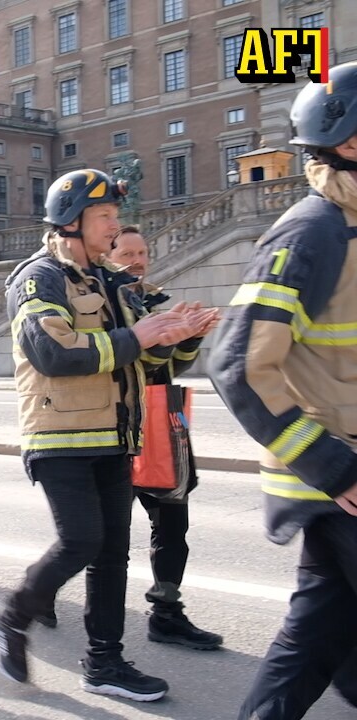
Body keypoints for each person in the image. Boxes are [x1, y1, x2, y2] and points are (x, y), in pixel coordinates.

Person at [0, 168, 199, 702]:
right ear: (71, 222)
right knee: (81, 540)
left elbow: (148, 360)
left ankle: (104, 664)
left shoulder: (114, 280)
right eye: (104, 217)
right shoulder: (37, 278)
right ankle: (11, 617)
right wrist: (136, 335)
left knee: (112, 554)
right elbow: (52, 353)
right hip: (60, 436)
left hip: (117, 435)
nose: (114, 227)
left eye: (115, 217)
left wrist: (179, 336)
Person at [210, 62, 357, 720]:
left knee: (317, 638)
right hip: (338, 472)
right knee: (315, 637)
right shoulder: (312, 232)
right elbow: (239, 363)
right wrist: (331, 464)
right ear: (350, 142)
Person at [100, 226, 222, 649]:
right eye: (127, 252)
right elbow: (135, 357)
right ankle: (43, 594)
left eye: (142, 252)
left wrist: (192, 337)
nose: (137, 259)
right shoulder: (104, 303)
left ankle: (166, 612)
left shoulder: (152, 299)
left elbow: (172, 369)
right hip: (116, 424)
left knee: (172, 521)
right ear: (107, 253)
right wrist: (168, 337)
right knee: (96, 534)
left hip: (159, 422)